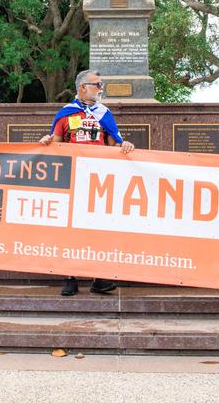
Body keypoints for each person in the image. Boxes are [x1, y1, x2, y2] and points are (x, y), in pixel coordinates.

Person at [39, 69, 135, 296]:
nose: (101, 89)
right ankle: (69, 277)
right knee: (70, 230)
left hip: (97, 181)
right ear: (82, 87)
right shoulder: (65, 114)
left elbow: (113, 143)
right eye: (97, 85)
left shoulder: (104, 114)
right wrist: (47, 141)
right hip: (72, 179)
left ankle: (98, 278)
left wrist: (125, 145)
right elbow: (57, 143)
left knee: (96, 229)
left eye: (101, 85)